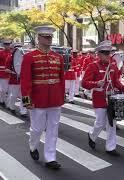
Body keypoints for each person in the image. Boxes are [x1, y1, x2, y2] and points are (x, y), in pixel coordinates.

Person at [21, 26, 65, 170]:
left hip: (54, 99)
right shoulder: (29, 57)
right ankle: (33, 146)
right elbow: (25, 80)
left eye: (50, 37)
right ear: (38, 38)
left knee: (53, 128)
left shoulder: (58, 57)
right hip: (37, 99)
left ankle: (50, 158)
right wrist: (27, 101)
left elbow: (61, 79)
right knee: (37, 128)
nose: (49, 39)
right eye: (46, 37)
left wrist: (61, 97)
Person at [82, 40, 124, 156]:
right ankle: (92, 135)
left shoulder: (112, 66)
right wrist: (96, 83)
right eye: (106, 53)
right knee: (100, 123)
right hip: (99, 97)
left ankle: (110, 147)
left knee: (112, 122)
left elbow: (116, 81)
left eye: (109, 53)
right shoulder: (93, 66)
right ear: (99, 54)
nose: (109, 56)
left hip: (111, 97)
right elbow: (84, 83)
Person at [4, 43, 28, 117]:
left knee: (25, 96)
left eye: (20, 47)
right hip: (14, 79)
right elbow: (6, 69)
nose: (19, 49)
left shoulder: (26, 57)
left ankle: (24, 111)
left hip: (24, 79)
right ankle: (11, 107)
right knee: (13, 95)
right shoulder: (10, 57)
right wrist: (14, 72)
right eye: (17, 47)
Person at [0, 40, 12, 107]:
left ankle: (9, 104)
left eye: (8, 44)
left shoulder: (12, 53)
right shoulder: (1, 53)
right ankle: (2, 100)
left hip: (13, 75)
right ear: (4, 45)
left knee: (11, 92)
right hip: (3, 73)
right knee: (3, 90)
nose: (7, 45)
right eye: (6, 44)